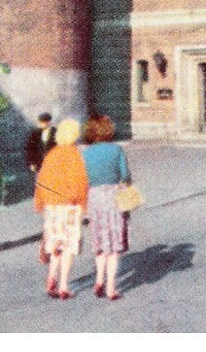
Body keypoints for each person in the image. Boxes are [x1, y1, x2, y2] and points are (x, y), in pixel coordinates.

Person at [33, 117, 88, 300]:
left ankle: (51, 279)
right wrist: (83, 205)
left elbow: (41, 181)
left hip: (52, 207)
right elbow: (80, 183)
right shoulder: (75, 155)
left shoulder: (51, 155)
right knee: (68, 247)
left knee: (55, 244)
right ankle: (64, 285)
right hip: (69, 207)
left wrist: (40, 202)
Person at [82, 113, 130, 300]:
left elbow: (84, 179)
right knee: (114, 245)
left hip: (94, 198)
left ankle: (99, 280)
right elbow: (124, 175)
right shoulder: (116, 150)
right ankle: (111, 288)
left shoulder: (86, 153)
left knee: (100, 242)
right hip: (113, 197)